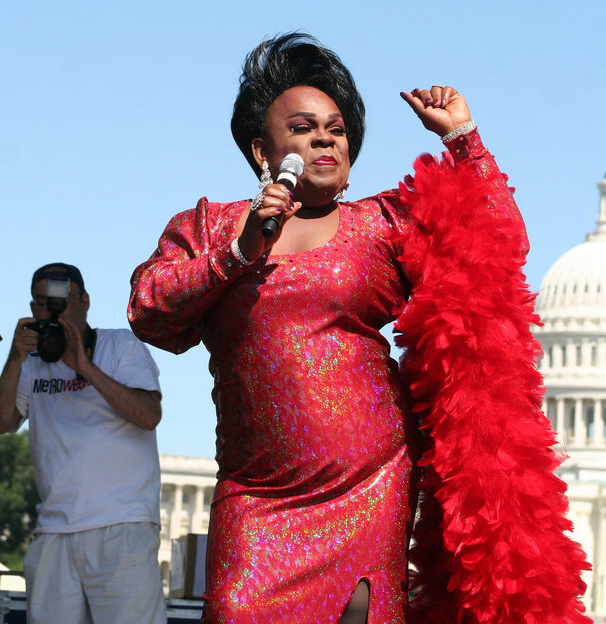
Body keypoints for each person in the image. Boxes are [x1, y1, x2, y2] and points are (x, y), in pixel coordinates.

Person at [128, 33, 589, 624]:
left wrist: (461, 138)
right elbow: (150, 311)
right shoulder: (212, 227)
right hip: (257, 500)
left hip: (369, 490)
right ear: (261, 151)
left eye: (337, 128)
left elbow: (499, 241)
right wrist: (238, 254)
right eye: (302, 127)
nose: (325, 137)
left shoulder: (382, 223)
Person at [0, 262, 166, 624]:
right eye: (40, 303)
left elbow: (148, 415)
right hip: (53, 529)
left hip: (123, 524)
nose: (50, 312)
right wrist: (15, 359)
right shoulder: (32, 363)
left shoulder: (121, 346)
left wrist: (84, 367)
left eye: (59, 302)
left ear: (84, 301)